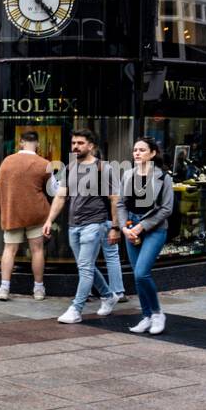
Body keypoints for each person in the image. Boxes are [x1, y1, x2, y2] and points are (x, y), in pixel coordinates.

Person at [44, 129, 124, 324]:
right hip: (73, 225)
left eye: (80, 143)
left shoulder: (103, 168)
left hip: (95, 224)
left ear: (91, 146)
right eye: (73, 143)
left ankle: (76, 309)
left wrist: (115, 227)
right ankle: (107, 296)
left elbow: (115, 199)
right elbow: (61, 196)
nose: (75, 146)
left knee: (86, 267)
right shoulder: (69, 168)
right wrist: (49, 220)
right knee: (84, 265)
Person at [117, 136, 174, 335]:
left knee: (142, 272)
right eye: (135, 150)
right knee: (138, 276)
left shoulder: (163, 177)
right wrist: (125, 227)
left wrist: (141, 227)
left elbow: (166, 209)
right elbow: (121, 204)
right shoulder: (128, 175)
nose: (137, 153)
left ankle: (158, 313)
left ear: (152, 153)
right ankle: (146, 316)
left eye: (142, 150)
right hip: (131, 227)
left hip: (154, 228)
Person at [0, 130, 51, 301]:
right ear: (38, 144)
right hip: (37, 213)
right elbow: (53, 190)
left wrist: (3, 211)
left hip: (13, 213)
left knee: (9, 250)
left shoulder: (7, 161)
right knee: (37, 250)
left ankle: (4, 288)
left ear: (20, 143)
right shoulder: (44, 163)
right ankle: (39, 289)